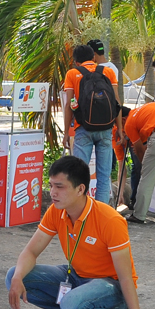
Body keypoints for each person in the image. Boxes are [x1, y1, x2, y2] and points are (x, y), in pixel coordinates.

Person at [5, 156, 155, 309]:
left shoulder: (110, 220)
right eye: (51, 186)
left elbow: (126, 277)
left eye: (60, 187)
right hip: (76, 277)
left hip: (111, 286)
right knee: (14, 275)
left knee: (72, 305)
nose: (53, 192)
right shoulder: (56, 211)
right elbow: (31, 252)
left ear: (80, 189)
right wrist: (17, 279)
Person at [62, 43, 121, 204]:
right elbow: (116, 102)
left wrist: (67, 132)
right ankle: (101, 214)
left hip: (83, 129)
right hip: (106, 130)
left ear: (75, 61)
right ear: (94, 58)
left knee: (79, 175)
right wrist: (119, 130)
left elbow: (68, 105)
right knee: (104, 176)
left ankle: (81, 212)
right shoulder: (107, 71)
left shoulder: (72, 73)